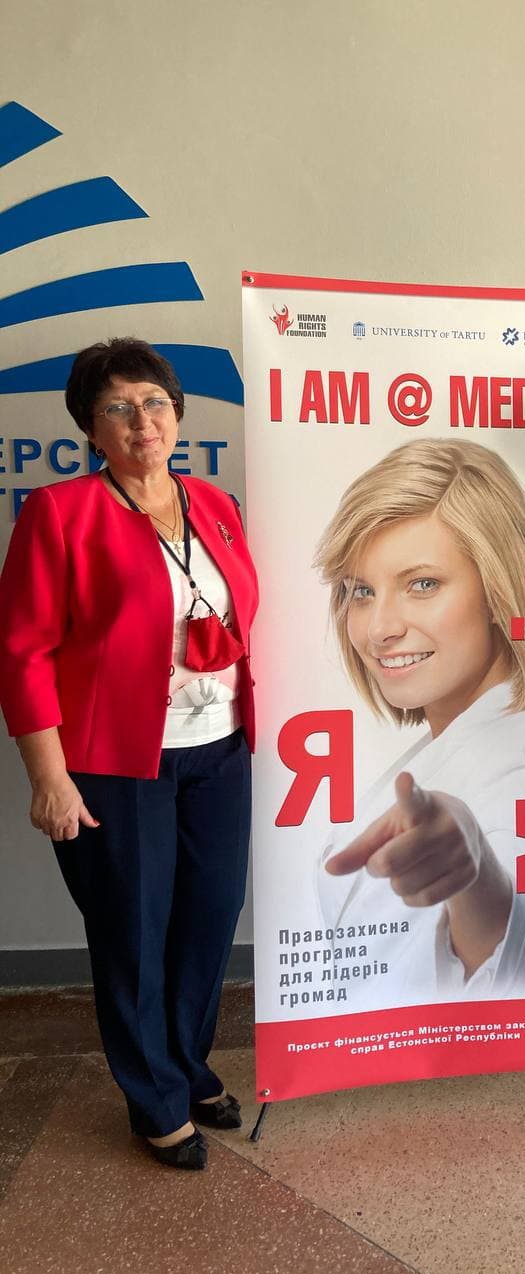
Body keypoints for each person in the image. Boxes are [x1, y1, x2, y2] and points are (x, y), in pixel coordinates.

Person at [0, 339, 259, 1171]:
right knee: (133, 933)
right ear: (91, 428)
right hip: (114, 763)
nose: (141, 421)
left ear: (177, 413)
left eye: (153, 402)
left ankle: (186, 1066)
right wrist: (48, 777)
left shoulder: (214, 504)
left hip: (219, 751)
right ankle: (154, 1099)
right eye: (117, 407)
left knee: (208, 922)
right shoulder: (59, 513)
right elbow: (24, 652)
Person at [312, 438, 525, 1007]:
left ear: (500, 588)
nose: (379, 628)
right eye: (361, 591)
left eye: (422, 584)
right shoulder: (441, 746)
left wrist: (475, 871)